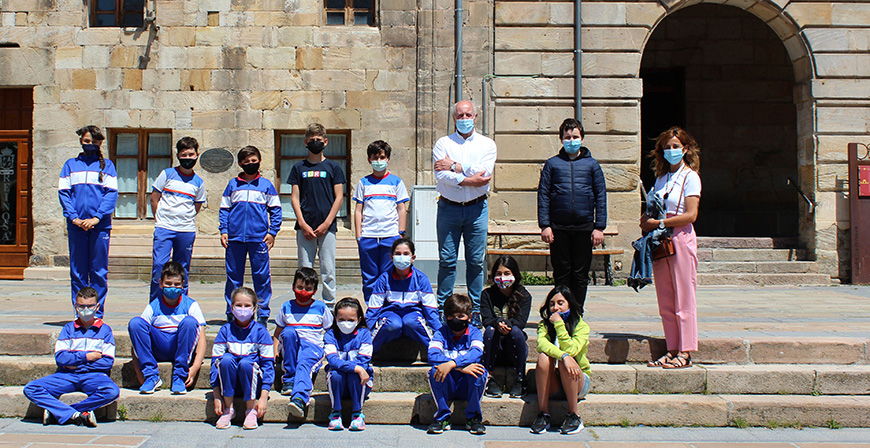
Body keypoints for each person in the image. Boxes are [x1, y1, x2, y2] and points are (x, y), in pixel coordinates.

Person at [641, 126, 701, 370]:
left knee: (684, 296)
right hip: (661, 240)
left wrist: (661, 222)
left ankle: (685, 351)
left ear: (685, 149)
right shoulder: (661, 178)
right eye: (667, 147)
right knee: (666, 298)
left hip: (680, 237)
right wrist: (647, 221)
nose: (671, 151)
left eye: (676, 146)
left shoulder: (690, 177)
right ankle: (671, 348)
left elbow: (691, 214)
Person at [433, 100, 497, 325]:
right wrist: (471, 178)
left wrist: (456, 167)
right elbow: (442, 177)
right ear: (453, 118)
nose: (464, 119)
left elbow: (485, 175)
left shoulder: (487, 144)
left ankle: (476, 309)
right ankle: (443, 308)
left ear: (476, 117)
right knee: (447, 261)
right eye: (460, 115)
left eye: (468, 115)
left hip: (477, 209)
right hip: (448, 208)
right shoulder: (443, 143)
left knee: (476, 262)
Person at [537, 118, 607, 315]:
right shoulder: (552, 164)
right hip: (559, 227)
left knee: (580, 274)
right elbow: (543, 196)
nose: (571, 140)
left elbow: (600, 196)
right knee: (561, 273)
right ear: (561, 139)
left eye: (575, 136)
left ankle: (577, 312)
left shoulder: (592, 165)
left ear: (582, 139)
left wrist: (599, 226)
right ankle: (560, 311)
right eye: (567, 137)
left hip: (584, 226)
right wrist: (545, 225)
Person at [23, 287, 119, 427]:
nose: (86, 309)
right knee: (31, 388)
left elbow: (107, 362)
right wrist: (87, 356)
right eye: (81, 306)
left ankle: (64, 411)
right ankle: (75, 414)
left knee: (112, 391)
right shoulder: (68, 329)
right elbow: (61, 358)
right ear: (76, 306)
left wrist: (75, 362)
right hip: (66, 375)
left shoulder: (105, 330)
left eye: (90, 306)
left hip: (94, 376)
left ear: (97, 306)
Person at [58, 125, 117, 318]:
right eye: (86, 141)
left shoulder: (107, 166)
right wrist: (73, 217)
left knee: (98, 271)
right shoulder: (70, 165)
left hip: (99, 226)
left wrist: (96, 218)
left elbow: (111, 194)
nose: (90, 144)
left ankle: (96, 314)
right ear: (81, 142)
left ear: (100, 142)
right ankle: (81, 313)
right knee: (78, 271)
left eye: (94, 141)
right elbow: (64, 193)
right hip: (76, 227)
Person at [220, 145, 282, 325]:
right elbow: (224, 209)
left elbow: (276, 210)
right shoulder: (233, 185)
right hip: (235, 239)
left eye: (254, 161)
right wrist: (224, 230)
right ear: (240, 164)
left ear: (260, 162)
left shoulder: (266, 186)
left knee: (261, 277)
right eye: (247, 162)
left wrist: (272, 232)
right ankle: (233, 311)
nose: (251, 164)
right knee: (233, 277)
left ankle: (262, 312)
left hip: (259, 239)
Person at [289, 123, 347, 306]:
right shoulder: (298, 168)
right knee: (305, 268)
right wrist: (303, 224)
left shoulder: (334, 167)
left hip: (327, 227)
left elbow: (339, 198)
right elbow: (294, 198)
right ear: (306, 142)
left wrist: (327, 223)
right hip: (305, 227)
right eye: (312, 140)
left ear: (326, 142)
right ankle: (303, 302)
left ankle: (329, 305)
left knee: (328, 269)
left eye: (319, 140)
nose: (315, 142)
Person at [128, 262, 207, 395]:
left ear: (183, 284)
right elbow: (136, 341)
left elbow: (202, 339)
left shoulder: (191, 305)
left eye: (177, 284)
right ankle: (151, 376)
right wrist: (138, 372)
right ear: (160, 284)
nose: (172, 287)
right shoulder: (153, 307)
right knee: (135, 323)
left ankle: (179, 376)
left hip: (181, 348)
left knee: (189, 322)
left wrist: (194, 368)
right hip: (159, 347)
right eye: (168, 283)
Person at [149, 136, 206, 302]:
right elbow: (154, 197)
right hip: (165, 227)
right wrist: (159, 218)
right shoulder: (167, 174)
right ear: (178, 155)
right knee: (159, 266)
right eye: (184, 155)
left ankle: (182, 303)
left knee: (182, 269)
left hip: (186, 230)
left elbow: (197, 205)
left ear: (196, 155)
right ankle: (155, 303)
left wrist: (185, 218)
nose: (187, 158)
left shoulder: (198, 182)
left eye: (190, 154)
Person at [273, 267, 334, 419]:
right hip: (292, 345)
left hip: (312, 347)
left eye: (308, 288)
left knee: (303, 362)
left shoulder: (321, 307)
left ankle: (299, 398)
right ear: (293, 286)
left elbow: (330, 331)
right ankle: (288, 380)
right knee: (288, 332)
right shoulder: (286, 307)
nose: (303, 291)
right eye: (299, 287)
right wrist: (274, 350)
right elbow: (278, 332)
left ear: (315, 290)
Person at [353, 140, 409, 302]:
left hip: (390, 236)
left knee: (387, 275)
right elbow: (358, 210)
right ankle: (372, 308)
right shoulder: (363, 183)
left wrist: (400, 234)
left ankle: (386, 306)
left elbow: (401, 209)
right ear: (369, 160)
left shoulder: (396, 182)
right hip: (368, 236)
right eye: (375, 158)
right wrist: (359, 236)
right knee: (369, 276)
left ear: (388, 159)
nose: (379, 161)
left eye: (382, 157)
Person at [211, 287, 275, 430]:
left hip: (253, 384)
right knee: (226, 360)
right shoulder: (225, 331)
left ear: (254, 308)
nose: (242, 309)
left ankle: (250, 410)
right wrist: (216, 395)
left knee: (247, 363)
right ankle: (228, 409)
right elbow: (215, 364)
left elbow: (268, 365)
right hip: (229, 384)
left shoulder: (261, 332)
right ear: (232, 307)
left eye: (247, 305)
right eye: (238, 305)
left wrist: (264, 396)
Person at [531, 285, 591, 435]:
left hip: (578, 381)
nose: (555, 307)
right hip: (556, 381)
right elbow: (542, 345)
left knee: (567, 361)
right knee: (543, 358)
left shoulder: (581, 326)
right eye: (552, 304)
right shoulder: (544, 325)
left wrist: (559, 324)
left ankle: (574, 415)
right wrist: (563, 356)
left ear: (569, 303)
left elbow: (571, 350)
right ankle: (543, 414)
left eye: (560, 303)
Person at [366, 238, 441, 354]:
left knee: (411, 322)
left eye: (406, 254)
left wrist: (440, 332)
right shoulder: (384, 279)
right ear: (391, 257)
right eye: (398, 254)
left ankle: (437, 353)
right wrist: (364, 332)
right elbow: (374, 308)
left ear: (413, 258)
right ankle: (367, 353)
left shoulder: (421, 279)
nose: (402, 257)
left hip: (413, 315)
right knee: (393, 324)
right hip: (390, 315)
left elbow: (430, 309)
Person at [426, 294, 487, 435]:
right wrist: (459, 366)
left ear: (469, 317)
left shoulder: (475, 333)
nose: (456, 320)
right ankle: (443, 417)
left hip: (467, 383)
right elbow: (432, 355)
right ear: (446, 317)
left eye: (461, 316)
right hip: (448, 382)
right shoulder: (440, 334)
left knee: (479, 372)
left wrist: (453, 363)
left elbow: (476, 353)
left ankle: (473, 418)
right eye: (452, 316)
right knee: (435, 370)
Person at [480, 255, 532, 398]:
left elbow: (521, 321)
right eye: (499, 273)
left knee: (516, 331)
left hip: (512, 346)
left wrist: (508, 324)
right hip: (494, 346)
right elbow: (486, 319)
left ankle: (520, 379)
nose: (502, 277)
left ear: (514, 274)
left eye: (507, 273)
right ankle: (488, 377)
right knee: (489, 331)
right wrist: (497, 323)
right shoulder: (487, 295)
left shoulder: (524, 295)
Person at [324, 297, 373, 431]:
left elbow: (364, 362)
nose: (346, 323)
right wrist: (356, 367)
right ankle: (335, 412)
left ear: (359, 319)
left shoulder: (365, 335)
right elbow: (332, 361)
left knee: (355, 375)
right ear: (335, 318)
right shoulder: (330, 335)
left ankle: (357, 413)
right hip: (338, 384)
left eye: (351, 320)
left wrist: (358, 369)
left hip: (359, 383)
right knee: (335, 374)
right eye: (341, 320)